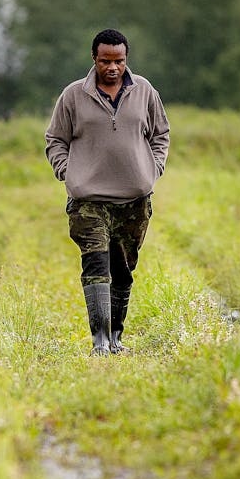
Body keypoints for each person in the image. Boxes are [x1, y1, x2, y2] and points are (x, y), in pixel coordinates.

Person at [45, 28, 170, 355]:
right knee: (96, 265)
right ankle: (99, 339)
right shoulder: (73, 95)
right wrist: (66, 170)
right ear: (94, 60)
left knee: (122, 271)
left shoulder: (144, 91)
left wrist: (153, 169)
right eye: (105, 61)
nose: (112, 67)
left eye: (119, 61)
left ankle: (116, 336)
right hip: (89, 202)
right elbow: (55, 139)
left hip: (134, 202)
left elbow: (161, 134)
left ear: (126, 59)